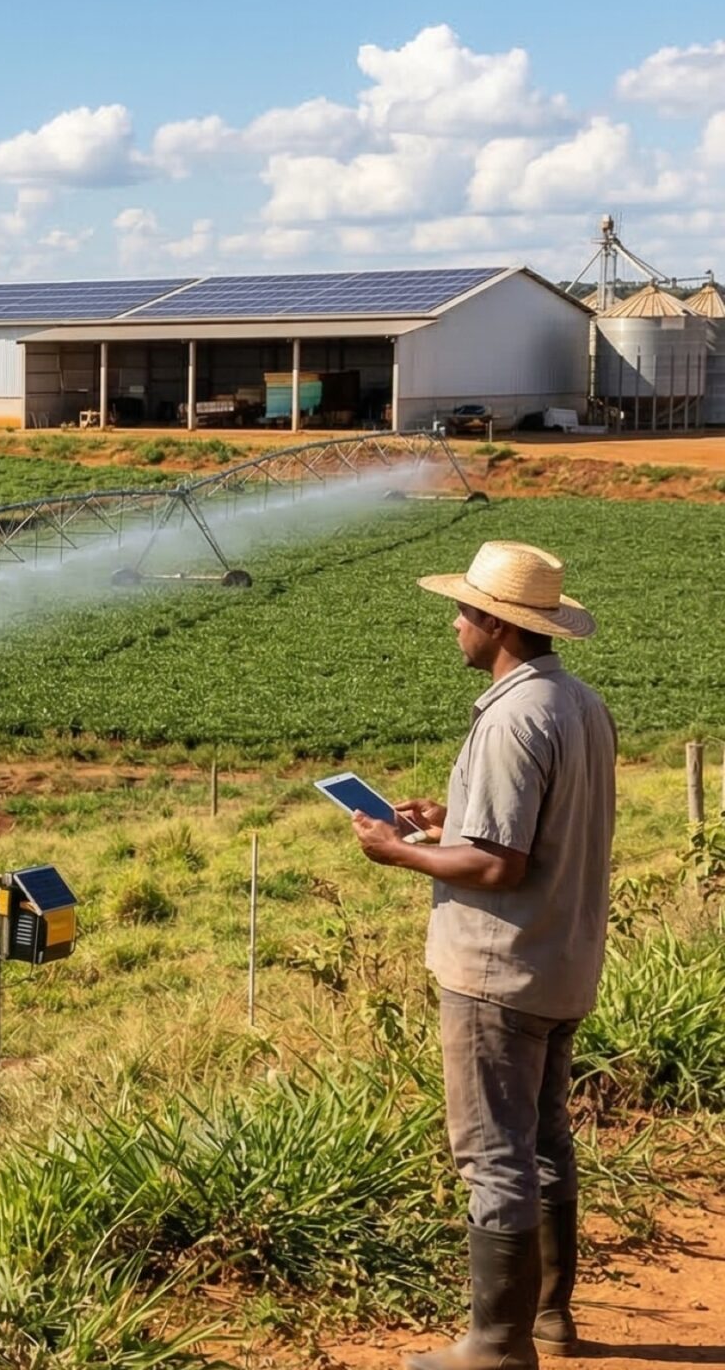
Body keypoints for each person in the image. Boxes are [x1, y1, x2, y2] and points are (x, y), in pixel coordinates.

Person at [351, 541, 615, 1369]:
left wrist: (397, 851)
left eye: (463, 613)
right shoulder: (579, 704)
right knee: (544, 1141)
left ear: (498, 625)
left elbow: (500, 866)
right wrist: (447, 826)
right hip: (563, 957)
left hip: (496, 969)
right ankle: (550, 1317)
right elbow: (531, 834)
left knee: (493, 1153)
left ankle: (495, 1348)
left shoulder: (511, 717)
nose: (455, 627)